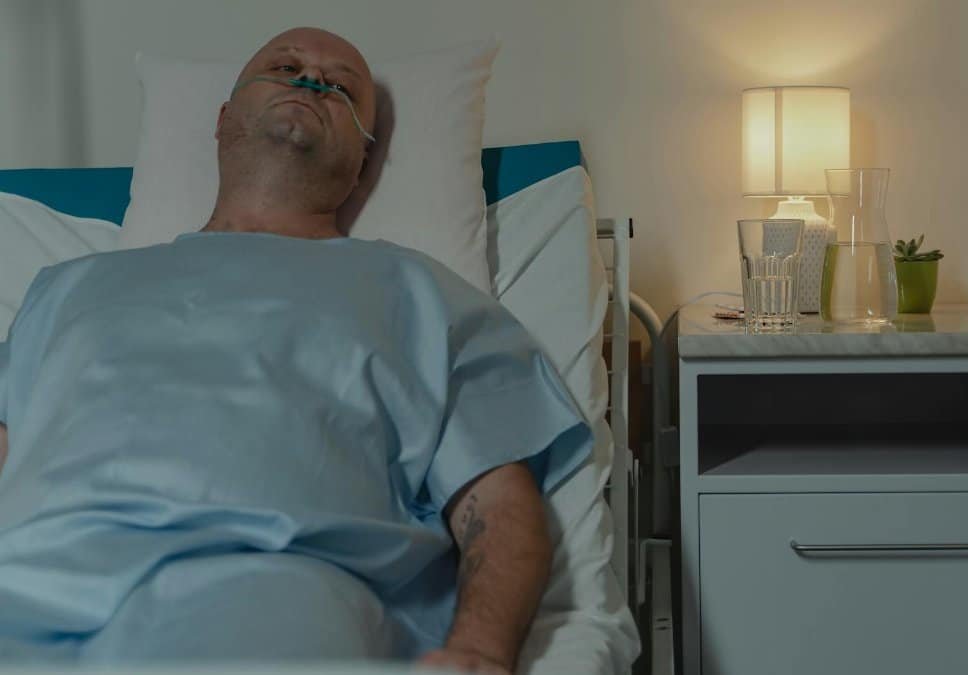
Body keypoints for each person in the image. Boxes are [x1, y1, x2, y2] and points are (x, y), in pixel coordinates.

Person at [0, 28, 591, 675]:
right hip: (34, 587)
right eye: (286, 65)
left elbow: (499, 505)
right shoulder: (68, 288)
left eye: (341, 88)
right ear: (224, 121)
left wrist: (479, 652)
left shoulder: (421, 294)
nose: (312, 80)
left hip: (274, 588)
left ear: (363, 161)